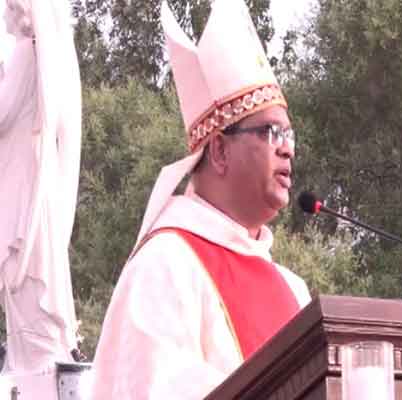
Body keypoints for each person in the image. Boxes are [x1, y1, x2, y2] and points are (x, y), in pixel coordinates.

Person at [90, 1, 311, 398]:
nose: (288, 150)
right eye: (272, 133)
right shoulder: (165, 266)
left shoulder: (293, 290)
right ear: (220, 152)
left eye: (290, 136)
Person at [0, 0, 81, 374]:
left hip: (21, 179)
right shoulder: (40, 54)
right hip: (31, 174)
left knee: (25, 265)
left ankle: (35, 360)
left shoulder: (23, 52)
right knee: (35, 262)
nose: (4, 16)